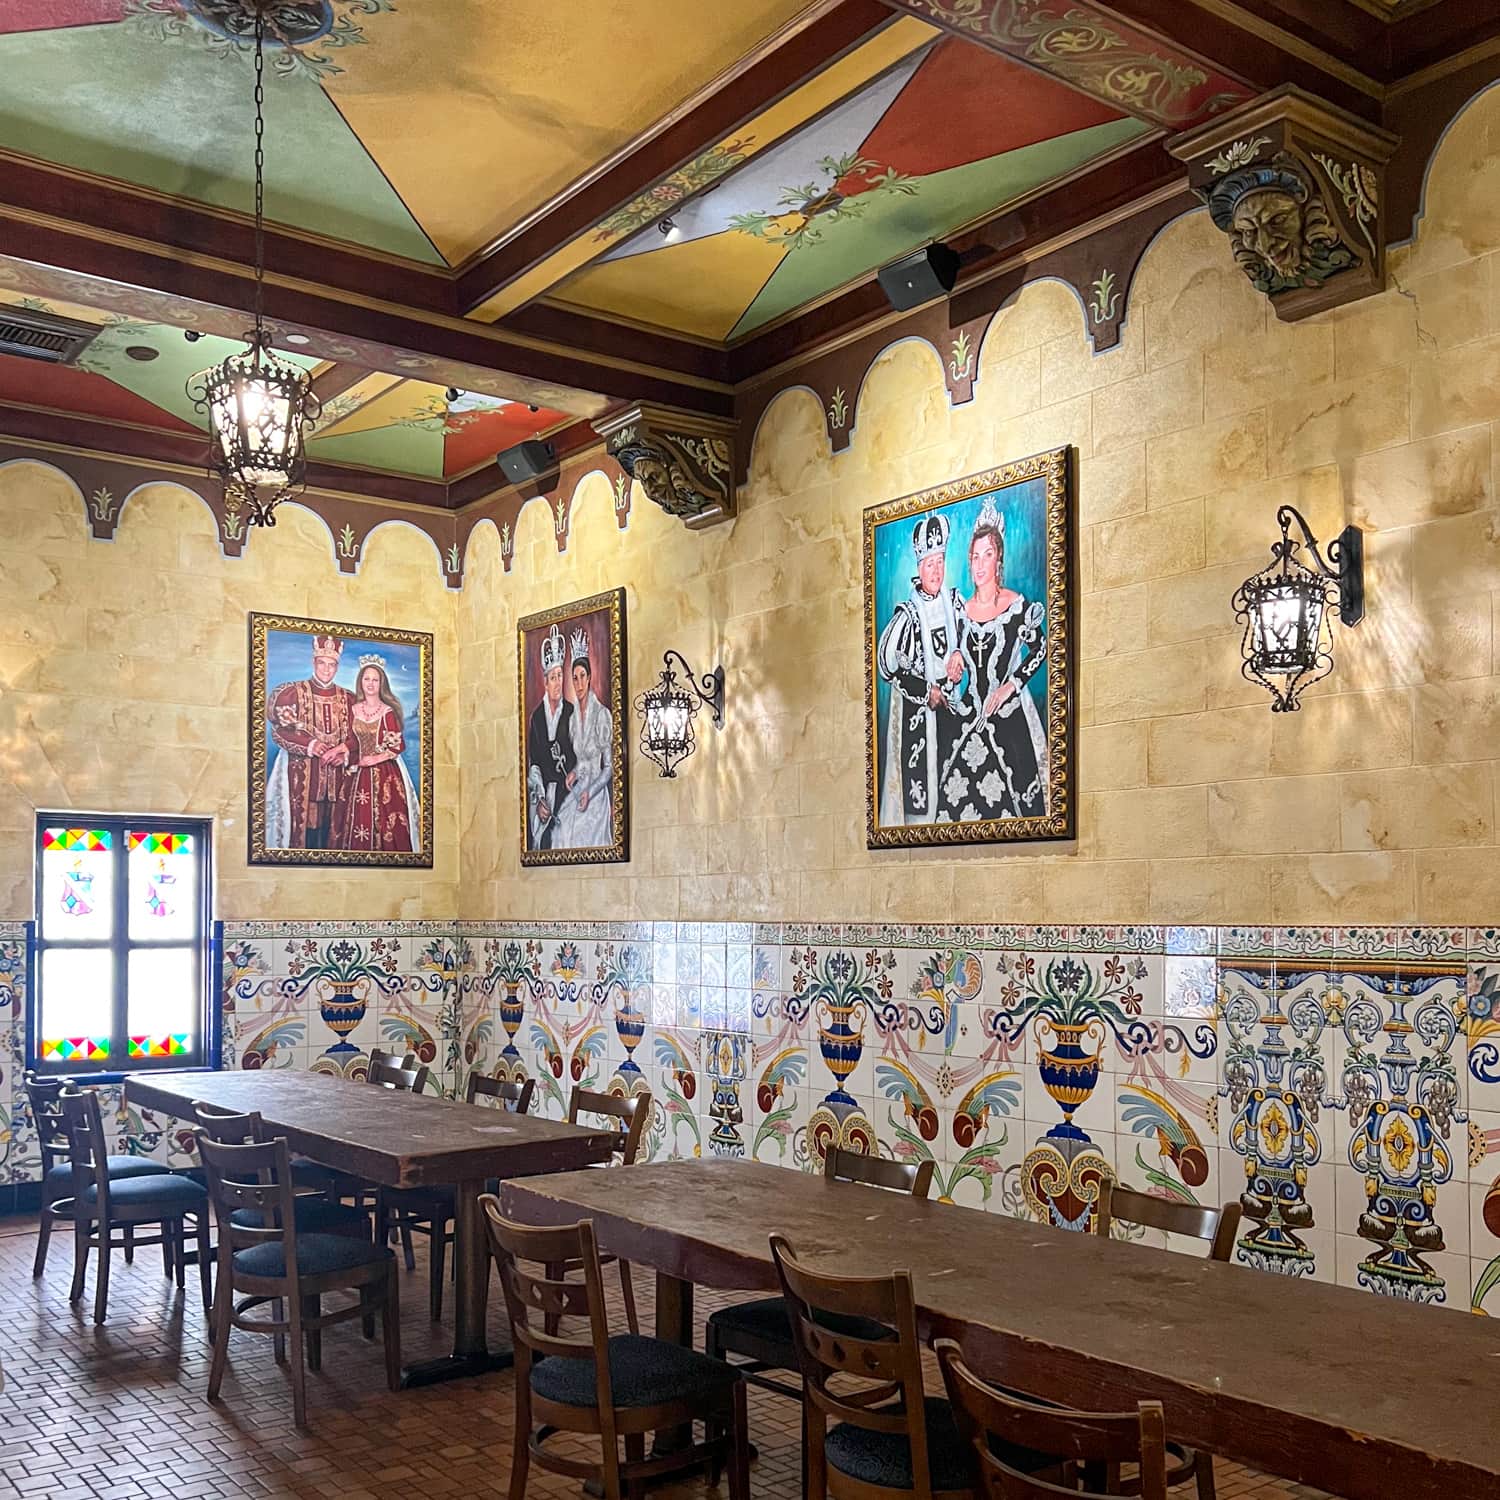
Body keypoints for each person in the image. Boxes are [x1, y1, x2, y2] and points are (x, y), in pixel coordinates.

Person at [935, 495, 1048, 823]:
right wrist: (953, 666)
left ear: (999, 559)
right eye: (975, 556)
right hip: (969, 715)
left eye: (988, 554)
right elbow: (953, 672)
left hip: (1008, 717)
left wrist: (1008, 688)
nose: (981, 563)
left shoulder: (1017, 608)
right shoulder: (961, 613)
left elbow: (1039, 650)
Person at [876, 512, 967, 826]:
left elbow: (970, 640)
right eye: (930, 564)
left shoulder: (954, 602)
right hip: (922, 717)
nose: (936, 571)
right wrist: (925, 690)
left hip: (952, 710)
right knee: (923, 804)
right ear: (919, 568)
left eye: (940, 562)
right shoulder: (908, 615)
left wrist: (960, 656)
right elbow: (887, 665)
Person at [265, 633, 356, 850]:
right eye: (322, 663)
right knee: (304, 826)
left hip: (339, 775)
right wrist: (311, 745)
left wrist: (344, 754)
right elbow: (280, 730)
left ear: (337, 667)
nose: (326, 669)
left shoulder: (350, 698)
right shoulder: (293, 693)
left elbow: (360, 736)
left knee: (334, 826)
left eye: (332, 664)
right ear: (313, 662)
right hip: (303, 772)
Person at [338, 656, 420, 853]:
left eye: (375, 680)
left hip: (384, 773)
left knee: (385, 819)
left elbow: (397, 745)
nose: (371, 684)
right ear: (360, 682)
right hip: (357, 772)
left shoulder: (387, 712)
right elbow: (351, 740)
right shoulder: (354, 710)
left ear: (381, 683)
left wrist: (374, 759)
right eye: (367, 679)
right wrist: (346, 754)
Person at [555, 627, 613, 849]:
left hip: (595, 795)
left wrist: (591, 792)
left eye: (582, 677)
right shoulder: (572, 720)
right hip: (579, 789)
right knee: (560, 829)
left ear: (589, 678)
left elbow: (608, 767)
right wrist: (573, 774)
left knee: (581, 835)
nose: (578, 684)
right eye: (574, 678)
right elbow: (582, 762)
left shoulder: (601, 715)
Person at [526, 624, 576, 850]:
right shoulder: (536, 718)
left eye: (560, 676)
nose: (558, 683)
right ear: (545, 683)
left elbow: (582, 755)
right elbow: (534, 764)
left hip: (570, 793)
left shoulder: (572, 713)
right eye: (553, 678)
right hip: (546, 793)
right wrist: (539, 800)